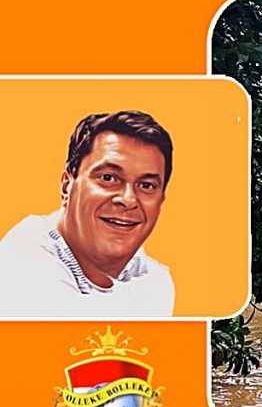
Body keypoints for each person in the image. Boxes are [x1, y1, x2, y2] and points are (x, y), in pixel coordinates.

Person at [0, 110, 174, 316]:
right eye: (108, 178)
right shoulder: (22, 265)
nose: (128, 199)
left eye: (146, 185)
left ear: (161, 199)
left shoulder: (156, 280)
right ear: (67, 186)